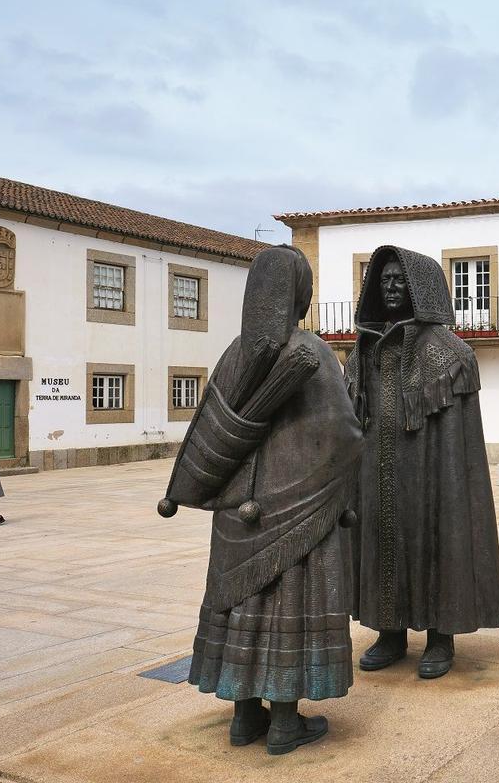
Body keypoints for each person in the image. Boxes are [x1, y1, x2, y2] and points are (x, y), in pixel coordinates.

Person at [157, 245, 362, 755]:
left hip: (237, 515)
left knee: (242, 609)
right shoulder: (311, 352)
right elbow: (343, 433)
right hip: (296, 514)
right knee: (290, 607)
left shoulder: (234, 353)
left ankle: (245, 718)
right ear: (298, 297)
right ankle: (287, 724)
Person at [345, 245, 499, 680]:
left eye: (401, 280)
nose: (392, 287)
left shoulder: (450, 354)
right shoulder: (364, 352)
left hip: (432, 474)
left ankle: (440, 637)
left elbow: (462, 443)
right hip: (376, 471)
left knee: (438, 540)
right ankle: (389, 631)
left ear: (422, 288)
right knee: (381, 541)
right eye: (384, 280)